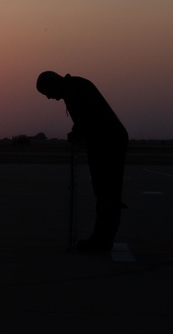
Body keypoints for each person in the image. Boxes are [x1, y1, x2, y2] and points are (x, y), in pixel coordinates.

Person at [36, 71, 128, 251]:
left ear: (53, 84)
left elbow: (90, 117)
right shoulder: (74, 88)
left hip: (108, 142)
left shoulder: (76, 90)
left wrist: (78, 132)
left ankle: (102, 240)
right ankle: (102, 238)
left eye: (47, 92)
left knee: (106, 192)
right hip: (104, 142)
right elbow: (84, 118)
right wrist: (77, 131)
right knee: (104, 192)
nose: (49, 98)